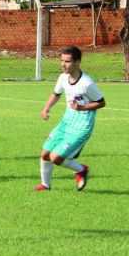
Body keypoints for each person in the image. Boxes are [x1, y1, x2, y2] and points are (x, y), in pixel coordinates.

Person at [34, 46, 105, 191]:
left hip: (81, 128)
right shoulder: (63, 78)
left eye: (67, 61)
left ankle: (81, 170)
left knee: (55, 157)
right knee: (45, 153)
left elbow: (101, 102)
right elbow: (56, 94)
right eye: (62, 60)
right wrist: (46, 108)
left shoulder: (87, 83)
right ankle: (45, 185)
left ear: (77, 62)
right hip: (65, 124)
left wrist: (82, 108)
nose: (63, 64)